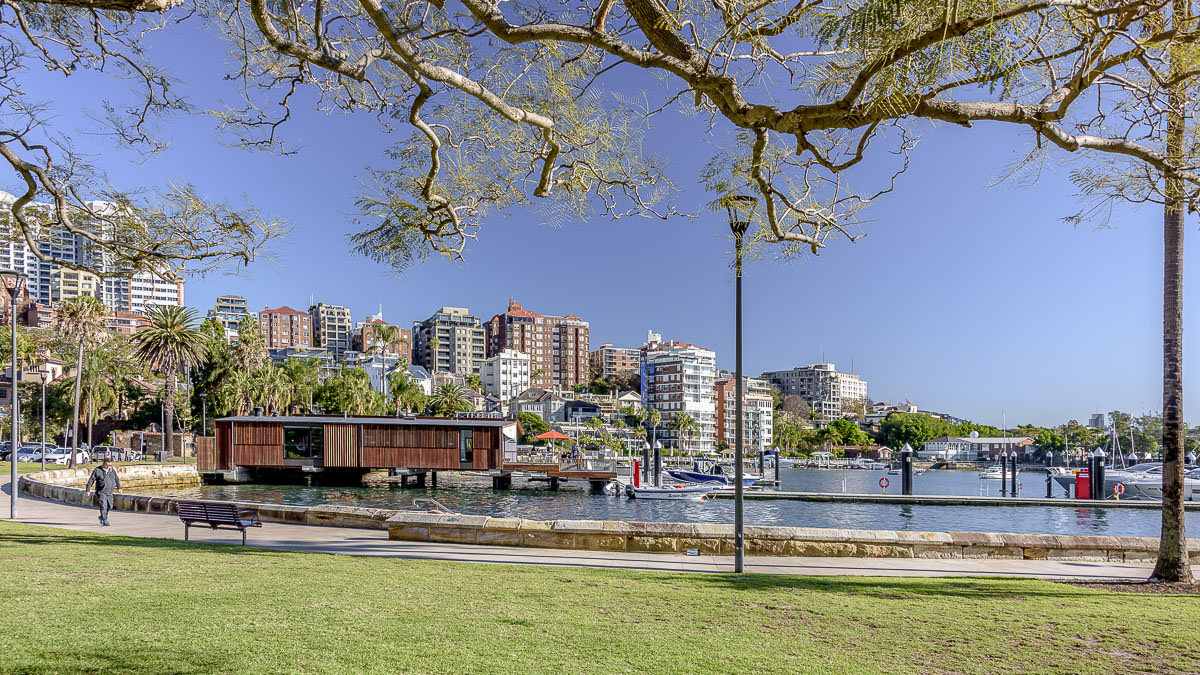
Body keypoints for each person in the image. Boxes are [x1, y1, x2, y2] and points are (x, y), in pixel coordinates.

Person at [84, 458, 122, 526]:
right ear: (103, 464)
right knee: (103, 505)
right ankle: (105, 520)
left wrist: (119, 488)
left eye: (110, 465)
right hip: (101, 491)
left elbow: (116, 479)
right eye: (107, 465)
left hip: (110, 492)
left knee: (110, 506)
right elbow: (91, 480)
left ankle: (102, 516)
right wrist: (88, 489)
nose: (108, 467)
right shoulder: (97, 470)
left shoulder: (112, 470)